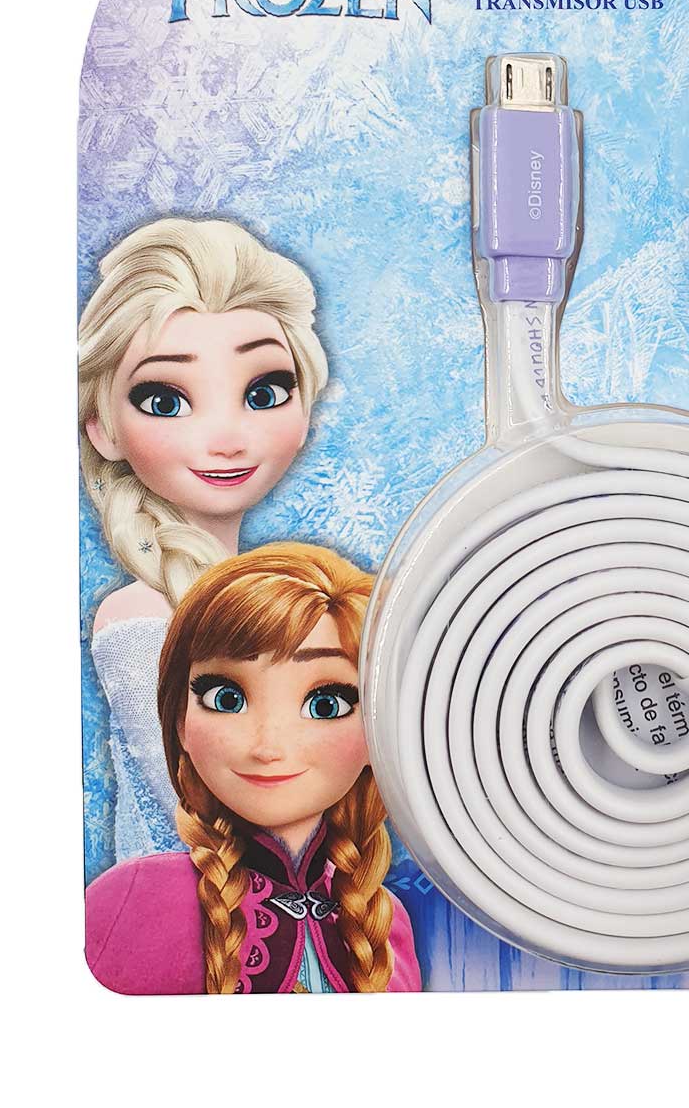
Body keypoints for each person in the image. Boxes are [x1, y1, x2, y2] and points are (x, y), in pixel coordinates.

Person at [80, 217, 329, 857]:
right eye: (165, 400)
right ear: (102, 428)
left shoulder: (285, 599)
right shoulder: (139, 617)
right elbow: (196, 813)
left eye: (264, 392)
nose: (226, 438)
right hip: (195, 909)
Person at [85, 543, 420, 994]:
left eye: (326, 704)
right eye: (227, 698)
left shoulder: (386, 925)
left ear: (377, 732)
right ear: (181, 721)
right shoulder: (133, 902)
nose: (267, 747)